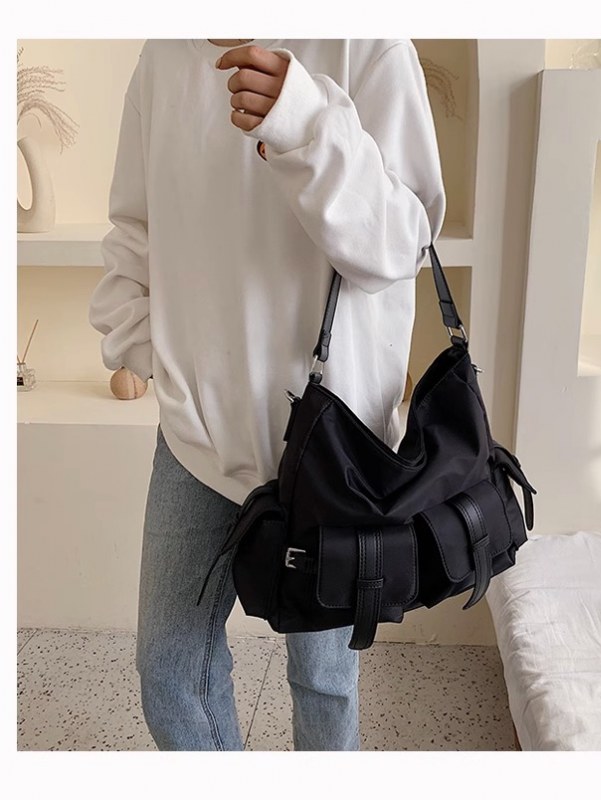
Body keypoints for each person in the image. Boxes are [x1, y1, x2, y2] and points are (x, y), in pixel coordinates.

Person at [88, 38, 446, 751]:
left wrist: (306, 121)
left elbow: (403, 244)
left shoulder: (367, 40)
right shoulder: (164, 53)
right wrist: (143, 343)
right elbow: (136, 222)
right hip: (195, 430)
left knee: (323, 682)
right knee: (170, 672)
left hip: (334, 446)